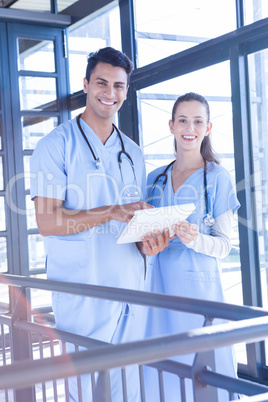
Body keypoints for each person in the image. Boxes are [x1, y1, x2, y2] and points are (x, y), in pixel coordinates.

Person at [30, 47, 169, 402]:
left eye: (119, 86)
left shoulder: (133, 152)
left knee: (129, 391)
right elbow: (47, 221)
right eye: (102, 83)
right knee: (85, 392)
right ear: (86, 85)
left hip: (129, 291)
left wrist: (148, 244)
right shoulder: (55, 145)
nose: (111, 93)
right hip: (84, 293)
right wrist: (108, 211)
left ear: (126, 90)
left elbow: (131, 224)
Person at [144, 92, 240, 401]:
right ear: (171, 126)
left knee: (206, 376)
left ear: (208, 127)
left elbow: (225, 245)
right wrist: (148, 246)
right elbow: (142, 239)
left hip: (200, 293)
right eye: (183, 120)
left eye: (198, 121)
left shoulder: (218, 178)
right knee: (165, 377)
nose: (190, 127)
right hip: (159, 290)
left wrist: (195, 240)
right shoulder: (153, 179)